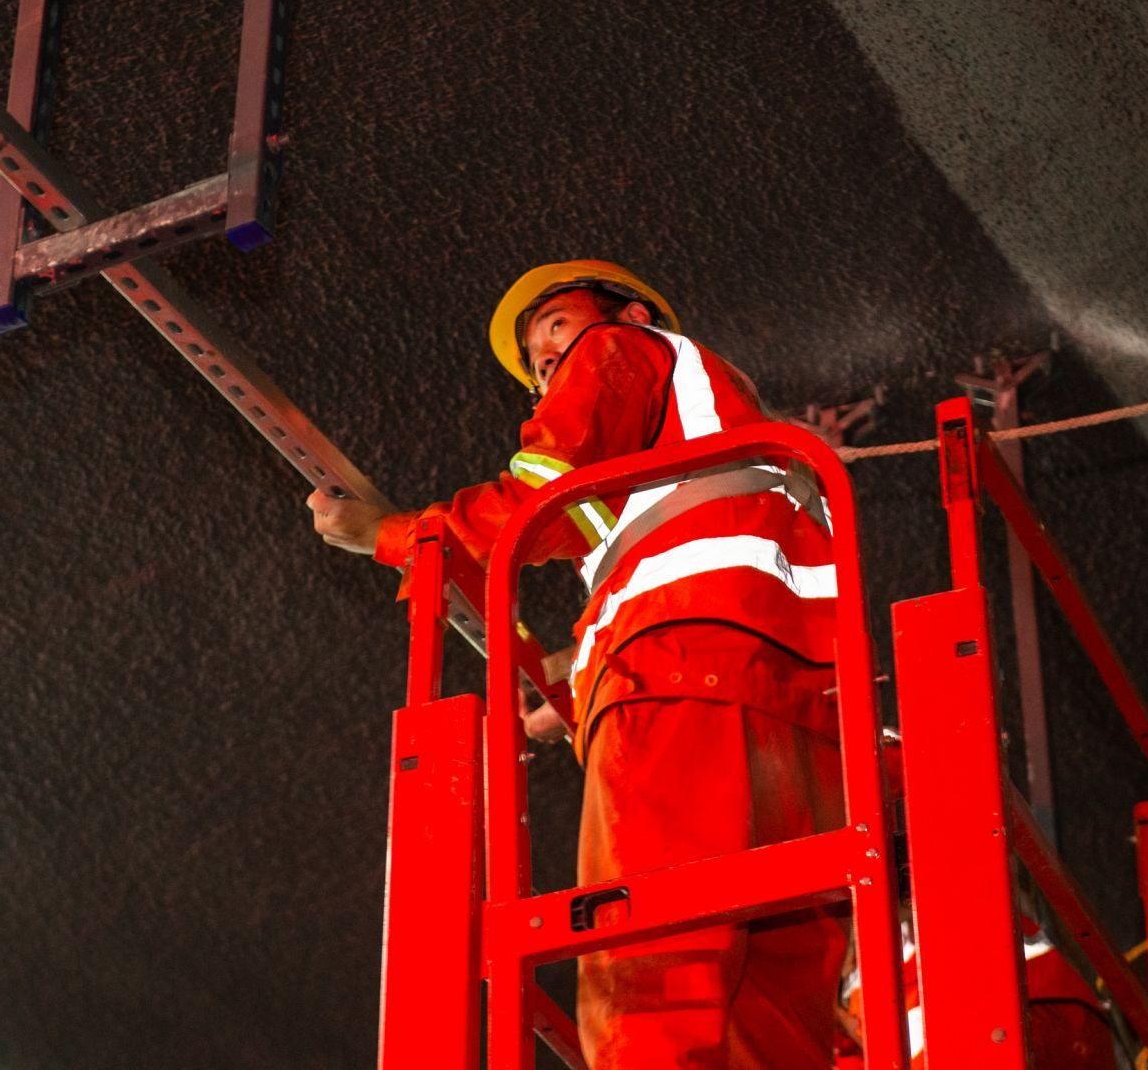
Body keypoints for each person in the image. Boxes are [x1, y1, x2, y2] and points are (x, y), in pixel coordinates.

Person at [310, 260, 845, 1069]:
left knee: (652, 982)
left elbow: (547, 499)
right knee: (771, 1020)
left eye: (555, 327)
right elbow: (676, 554)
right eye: (536, 363)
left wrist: (395, 535)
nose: (549, 361)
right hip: (802, 723)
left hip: (678, 678)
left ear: (630, 315)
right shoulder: (718, 440)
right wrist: (578, 676)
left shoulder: (618, 349)